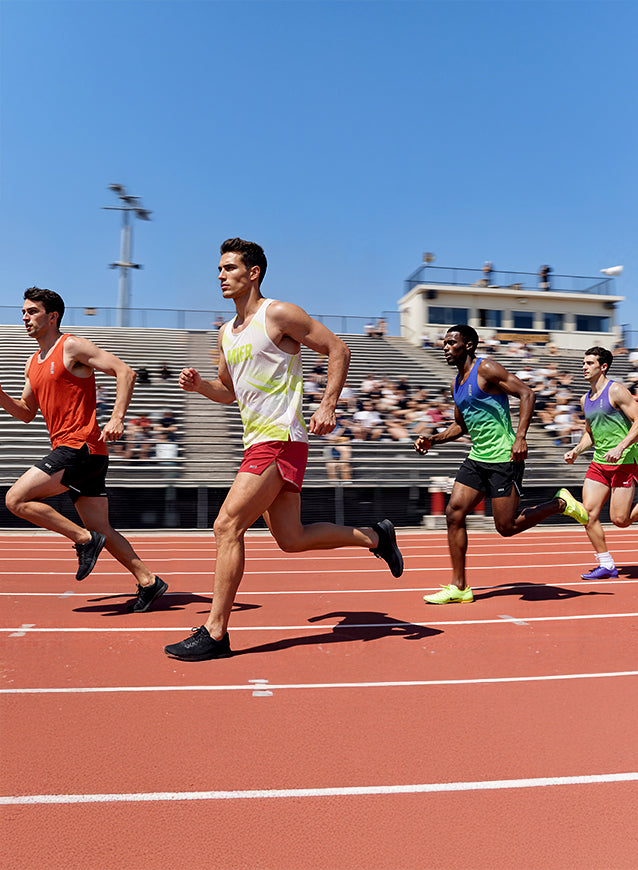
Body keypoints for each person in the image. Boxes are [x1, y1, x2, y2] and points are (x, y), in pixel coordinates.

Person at [164, 238, 403, 661]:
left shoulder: (277, 313)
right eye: (219, 269)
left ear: (252, 272)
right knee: (289, 539)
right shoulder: (226, 332)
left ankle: (215, 632)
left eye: (229, 267)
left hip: (280, 438)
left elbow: (337, 349)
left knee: (226, 526)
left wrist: (328, 403)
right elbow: (229, 392)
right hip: (257, 440)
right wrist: (201, 386)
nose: (220, 275)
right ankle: (374, 536)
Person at [0, 287, 167, 613]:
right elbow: (25, 412)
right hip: (85, 452)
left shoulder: (71, 346)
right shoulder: (32, 362)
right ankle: (149, 581)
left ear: (52, 316)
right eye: (23, 312)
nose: (25, 318)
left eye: (32, 312)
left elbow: (125, 371)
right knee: (102, 527)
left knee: (16, 500)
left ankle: (84, 540)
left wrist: (117, 417)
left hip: (79, 447)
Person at [414, 324, 588, 604]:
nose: (444, 347)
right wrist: (433, 439)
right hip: (477, 458)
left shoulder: (486, 369)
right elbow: (460, 426)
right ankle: (459, 587)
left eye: (450, 342)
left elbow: (527, 394)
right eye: (443, 343)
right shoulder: (456, 383)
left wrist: (520, 437)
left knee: (506, 527)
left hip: (504, 458)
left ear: (468, 345)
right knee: (453, 514)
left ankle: (560, 503)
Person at [563, 346, 638, 579]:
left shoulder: (616, 390)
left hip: (624, 462)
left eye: (589, 363)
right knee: (587, 514)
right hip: (599, 464)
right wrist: (576, 450)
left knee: (620, 520)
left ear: (603, 366)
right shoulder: (585, 399)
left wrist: (620, 446)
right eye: (583, 363)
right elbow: (590, 434)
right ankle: (606, 564)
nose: (583, 367)